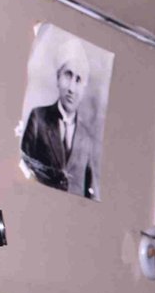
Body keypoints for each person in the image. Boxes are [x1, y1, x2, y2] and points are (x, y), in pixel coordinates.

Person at [20, 37, 99, 198]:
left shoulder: (87, 138)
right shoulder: (38, 119)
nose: (71, 88)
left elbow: (90, 192)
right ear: (58, 78)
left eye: (78, 79)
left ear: (83, 89)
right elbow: (23, 170)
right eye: (68, 75)